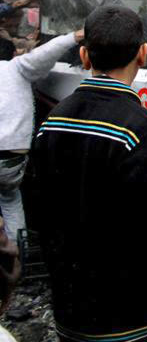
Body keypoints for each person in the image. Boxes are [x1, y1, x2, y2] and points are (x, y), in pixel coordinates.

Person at [28, 6, 147, 342]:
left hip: (72, 315)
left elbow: (39, 215)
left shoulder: (52, 120)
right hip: (134, 320)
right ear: (143, 54)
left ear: (84, 56)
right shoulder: (142, 130)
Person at [0, 30, 80, 243]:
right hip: (11, 158)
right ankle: (17, 254)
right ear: (14, 55)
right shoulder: (16, 67)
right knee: (10, 199)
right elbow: (46, 52)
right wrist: (75, 36)